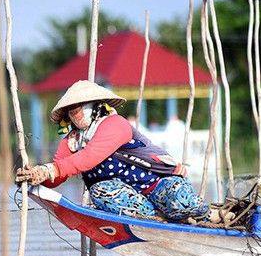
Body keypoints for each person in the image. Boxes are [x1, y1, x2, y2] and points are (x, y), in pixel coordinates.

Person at [16, 80, 229, 223]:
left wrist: (48, 170)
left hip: (159, 184)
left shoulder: (115, 124)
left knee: (178, 201)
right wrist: (34, 176)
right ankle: (157, 221)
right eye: (72, 109)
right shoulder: (72, 141)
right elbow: (57, 176)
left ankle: (211, 216)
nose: (76, 112)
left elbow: (90, 157)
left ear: (97, 105)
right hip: (135, 204)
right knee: (100, 191)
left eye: (82, 105)